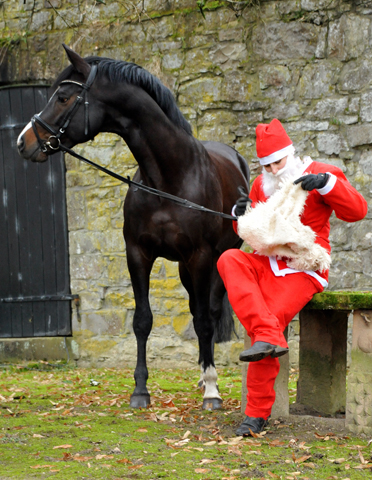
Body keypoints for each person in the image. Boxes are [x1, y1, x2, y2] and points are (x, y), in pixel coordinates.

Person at [217, 118, 368, 436]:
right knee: (229, 258)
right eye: (267, 165)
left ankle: (256, 414)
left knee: (266, 320)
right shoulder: (261, 186)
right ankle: (268, 335)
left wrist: (328, 185)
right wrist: (240, 215)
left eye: (278, 162)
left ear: (291, 153)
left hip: (304, 267)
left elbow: (357, 211)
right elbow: (251, 234)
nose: (273, 170)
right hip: (266, 262)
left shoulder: (321, 173)